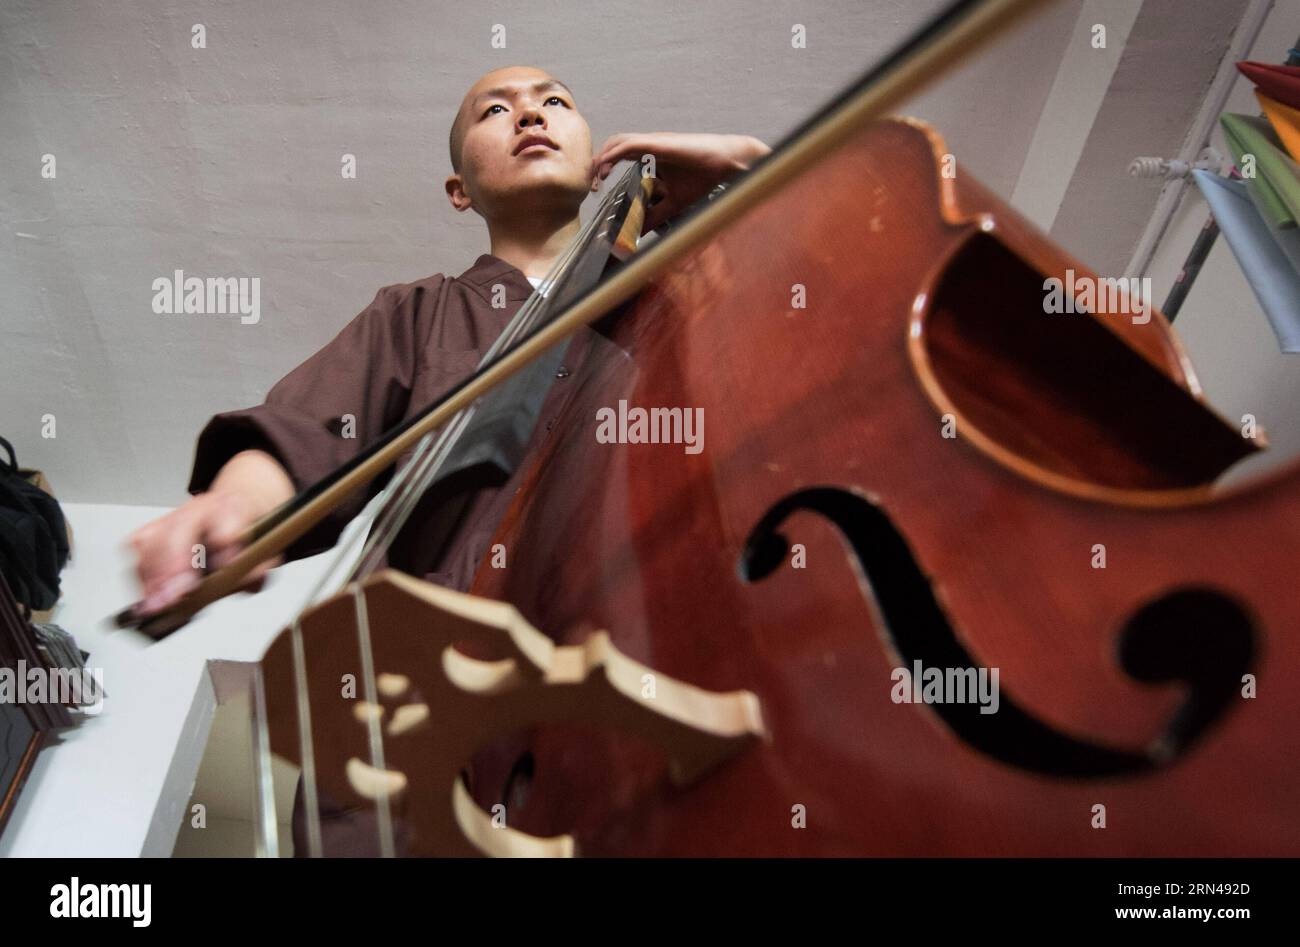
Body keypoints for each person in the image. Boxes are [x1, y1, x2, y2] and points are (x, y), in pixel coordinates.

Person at [126, 64, 769, 855]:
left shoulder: (681, 292)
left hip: (630, 683)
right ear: (459, 189)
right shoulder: (416, 314)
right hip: (415, 699)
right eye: (494, 111)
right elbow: (306, 427)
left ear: (596, 153)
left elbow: (813, 318)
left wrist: (746, 174)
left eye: (555, 101)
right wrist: (233, 505)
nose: (530, 114)